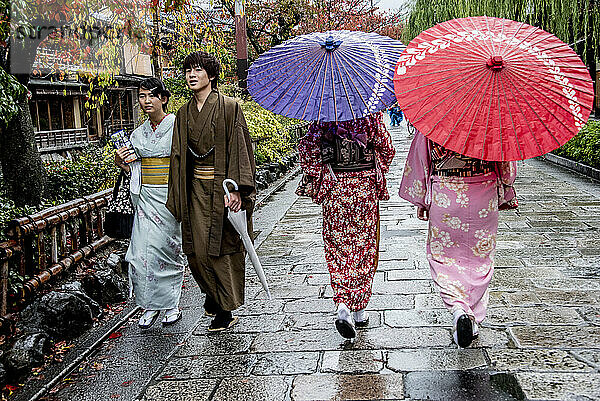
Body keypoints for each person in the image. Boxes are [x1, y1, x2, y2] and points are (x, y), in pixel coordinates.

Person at [399, 131, 517, 347]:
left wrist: (422, 198)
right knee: (480, 258)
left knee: (443, 257)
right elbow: (506, 161)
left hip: (446, 191)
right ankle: (471, 315)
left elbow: (420, 159)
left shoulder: (434, 120)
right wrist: (506, 187)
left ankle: (458, 309)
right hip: (483, 190)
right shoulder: (491, 121)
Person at [166, 51, 256, 332]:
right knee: (197, 251)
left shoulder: (230, 107)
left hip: (222, 189)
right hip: (194, 188)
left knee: (221, 248)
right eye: (188, 71)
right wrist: (179, 193)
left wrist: (238, 190)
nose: (191, 75)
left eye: (198, 70)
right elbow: (179, 156)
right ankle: (213, 296)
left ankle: (224, 307)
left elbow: (239, 148)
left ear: (212, 76)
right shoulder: (183, 114)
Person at [296, 113, 395, 339]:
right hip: (363, 189)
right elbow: (387, 149)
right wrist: (371, 169)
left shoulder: (323, 118)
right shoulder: (369, 116)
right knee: (364, 246)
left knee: (338, 247)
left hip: (336, 188)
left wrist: (324, 172)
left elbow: (307, 150)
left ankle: (343, 303)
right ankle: (360, 309)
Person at [115, 77, 185, 329]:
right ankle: (148, 306)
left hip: (169, 196)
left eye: (151, 96)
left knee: (166, 250)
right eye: (142, 96)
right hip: (144, 198)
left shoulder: (177, 125)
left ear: (163, 99)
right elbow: (133, 169)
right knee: (139, 254)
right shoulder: (137, 134)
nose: (146, 101)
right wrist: (123, 163)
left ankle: (171, 304)